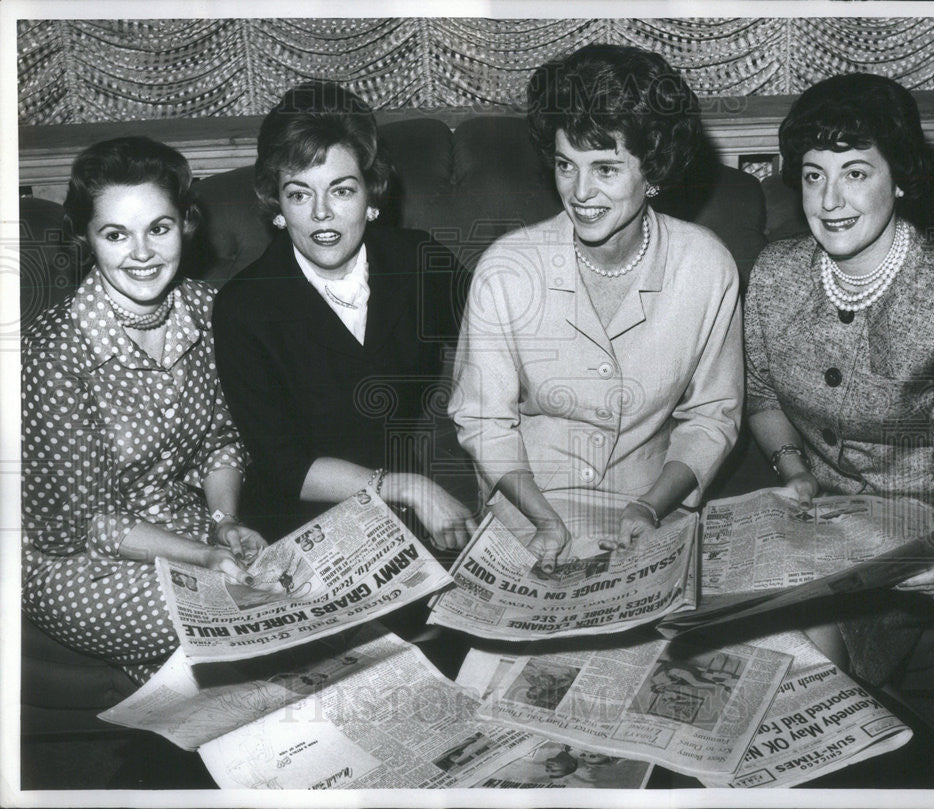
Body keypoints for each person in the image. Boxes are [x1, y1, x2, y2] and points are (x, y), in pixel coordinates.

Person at [449, 44, 743, 572]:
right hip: (530, 513)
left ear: (652, 170)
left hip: (649, 511)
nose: (580, 192)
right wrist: (543, 520)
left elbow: (712, 416)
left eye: (606, 168)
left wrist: (651, 505)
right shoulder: (506, 270)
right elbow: (484, 422)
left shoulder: (706, 266)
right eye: (567, 165)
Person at [744, 73, 934, 685]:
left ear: (898, 177)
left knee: (800, 654)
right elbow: (762, 396)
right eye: (814, 174)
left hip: (907, 531)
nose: (829, 201)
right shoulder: (775, 275)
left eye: (855, 172)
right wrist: (794, 471)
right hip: (808, 519)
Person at [21, 137, 266, 683]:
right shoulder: (54, 350)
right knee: (238, 611)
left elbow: (222, 438)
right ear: (87, 238)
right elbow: (84, 522)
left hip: (184, 522)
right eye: (115, 234)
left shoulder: (207, 310)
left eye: (159, 227)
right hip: (76, 554)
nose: (142, 253)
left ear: (185, 224)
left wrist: (225, 524)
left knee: (278, 593)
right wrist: (201, 558)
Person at [212, 81, 477, 550]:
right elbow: (285, 467)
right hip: (296, 523)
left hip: (405, 517)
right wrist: (407, 486)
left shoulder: (417, 261)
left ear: (371, 197)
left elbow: (500, 343)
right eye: (298, 194)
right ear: (277, 206)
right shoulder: (244, 306)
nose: (321, 214)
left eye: (341, 190)